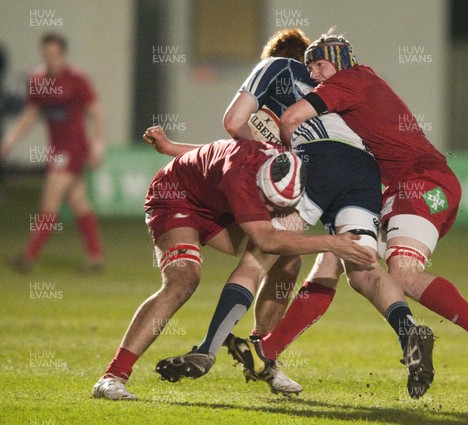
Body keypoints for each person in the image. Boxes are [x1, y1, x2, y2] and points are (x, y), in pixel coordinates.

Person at [154, 29, 435, 400]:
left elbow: (233, 126)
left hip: (316, 161)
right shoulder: (345, 83)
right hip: (363, 171)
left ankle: (207, 349)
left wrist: (283, 152)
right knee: (365, 267)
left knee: (258, 257)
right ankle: (408, 330)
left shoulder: (276, 68)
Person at [269, 29, 468, 388]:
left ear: (338, 62)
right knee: (336, 258)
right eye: (310, 68)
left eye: (320, 64)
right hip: (406, 188)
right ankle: (269, 350)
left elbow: (291, 118)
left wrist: (291, 159)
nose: (316, 74)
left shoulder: (350, 80)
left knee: (402, 274)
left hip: (421, 181)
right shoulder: (358, 83)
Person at [91, 134, 374, 400]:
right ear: (259, 182)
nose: (271, 209)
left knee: (288, 260)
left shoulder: (277, 157)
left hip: (218, 204)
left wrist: (170, 146)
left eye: (278, 206)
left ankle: (260, 355)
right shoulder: (239, 176)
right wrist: (332, 243)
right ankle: (113, 376)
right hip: (176, 199)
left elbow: (207, 152)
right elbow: (266, 239)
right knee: (183, 280)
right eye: (267, 202)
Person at [0, 33, 104, 273]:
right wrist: (9, 141)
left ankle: (28, 257)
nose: (51, 59)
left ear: (63, 55)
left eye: (55, 55)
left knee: (50, 200)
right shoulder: (37, 80)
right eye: (47, 55)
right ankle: (95, 257)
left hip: (74, 150)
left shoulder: (76, 79)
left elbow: (97, 113)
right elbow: (29, 115)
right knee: (79, 202)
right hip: (56, 150)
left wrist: (97, 146)